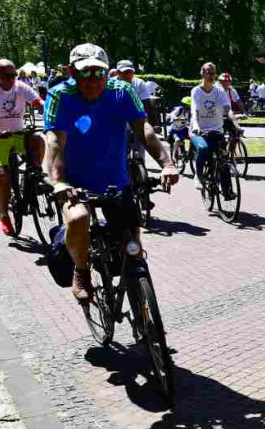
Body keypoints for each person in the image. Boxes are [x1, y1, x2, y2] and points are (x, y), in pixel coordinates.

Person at [43, 43, 178, 302]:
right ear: (72, 72)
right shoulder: (60, 95)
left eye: (99, 73)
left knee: (132, 242)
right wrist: (59, 182)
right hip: (75, 183)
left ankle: (141, 301)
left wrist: (167, 163)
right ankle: (81, 271)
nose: (94, 80)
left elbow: (144, 130)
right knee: (78, 218)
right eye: (86, 73)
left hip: (115, 181)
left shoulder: (122, 91)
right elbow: (55, 142)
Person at [0, 58, 45, 235]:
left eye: (14, 75)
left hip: (17, 134)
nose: (11, 79)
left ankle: (35, 173)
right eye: (7, 75)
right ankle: (4, 214)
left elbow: (39, 103)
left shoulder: (20, 86)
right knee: (4, 175)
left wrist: (52, 115)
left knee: (38, 139)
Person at [189, 62, 235, 188]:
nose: (212, 76)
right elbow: (195, 111)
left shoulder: (219, 91)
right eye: (209, 73)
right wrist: (197, 126)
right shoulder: (196, 91)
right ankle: (198, 176)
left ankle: (227, 191)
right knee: (203, 149)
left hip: (216, 131)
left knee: (224, 159)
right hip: (198, 131)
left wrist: (235, 123)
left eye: (214, 73)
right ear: (202, 74)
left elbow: (227, 109)